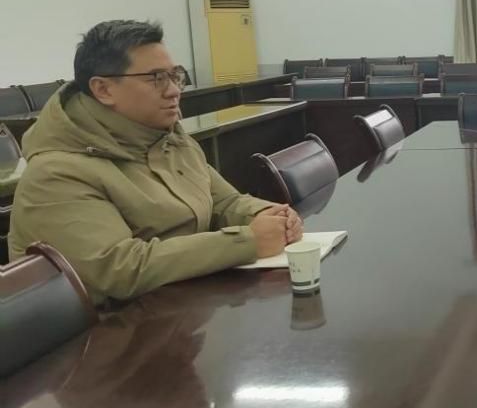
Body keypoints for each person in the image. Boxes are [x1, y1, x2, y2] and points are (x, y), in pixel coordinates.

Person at [8, 20, 302, 304]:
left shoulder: (169, 139)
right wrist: (246, 242)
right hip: (114, 330)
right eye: (156, 78)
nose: (174, 90)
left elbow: (224, 203)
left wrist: (268, 215)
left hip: (182, 307)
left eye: (175, 76)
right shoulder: (57, 173)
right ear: (103, 89)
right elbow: (120, 268)